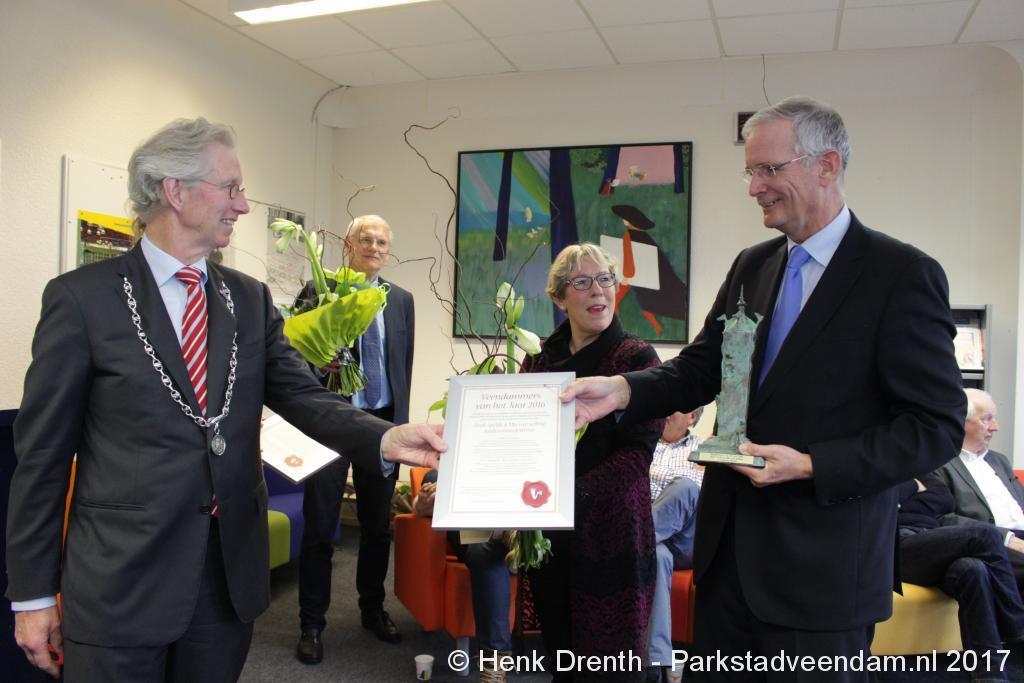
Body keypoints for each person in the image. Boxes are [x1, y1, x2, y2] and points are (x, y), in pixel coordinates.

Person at [4, 117, 444, 683]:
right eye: (231, 188)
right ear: (175, 190)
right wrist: (33, 594)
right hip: (121, 581)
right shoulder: (83, 299)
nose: (243, 205)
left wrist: (386, 436)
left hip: (225, 580)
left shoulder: (248, 299)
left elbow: (304, 397)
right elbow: (41, 459)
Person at [562, 97, 966, 681]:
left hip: (822, 576)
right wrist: (622, 390)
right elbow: (701, 367)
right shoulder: (752, 266)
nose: (754, 187)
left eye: (769, 169)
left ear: (827, 166)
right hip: (727, 565)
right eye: (751, 171)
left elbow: (935, 426)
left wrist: (811, 464)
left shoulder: (900, 275)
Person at [522, 243, 664, 682]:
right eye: (581, 282)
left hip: (612, 533)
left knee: (612, 664)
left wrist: (572, 496)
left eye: (604, 279)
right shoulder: (539, 359)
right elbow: (525, 438)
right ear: (559, 297)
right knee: (561, 654)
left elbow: (637, 453)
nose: (597, 290)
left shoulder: (637, 359)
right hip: (550, 530)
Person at [296, 215, 415, 663]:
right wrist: (319, 363)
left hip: (381, 425)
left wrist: (400, 425)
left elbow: (402, 365)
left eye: (382, 241)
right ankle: (311, 622)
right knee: (321, 525)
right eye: (366, 239)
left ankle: (372, 608)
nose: (375, 247)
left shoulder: (400, 300)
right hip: (331, 421)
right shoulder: (320, 291)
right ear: (348, 245)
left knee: (377, 526)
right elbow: (292, 356)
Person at [897, 476, 1024, 681]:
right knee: (986, 535)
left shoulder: (925, 472)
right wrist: (913, 486)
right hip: (896, 545)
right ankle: (1017, 629)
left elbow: (945, 500)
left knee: (972, 569)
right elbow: (884, 501)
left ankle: (989, 676)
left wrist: (908, 496)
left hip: (932, 540)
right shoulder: (881, 470)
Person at [412, 470, 513, 683]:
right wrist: (423, 504)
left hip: (519, 511)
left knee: (485, 551)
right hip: (476, 536)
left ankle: (509, 535)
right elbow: (420, 509)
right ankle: (494, 665)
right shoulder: (444, 471)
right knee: (483, 551)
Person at [930, 388, 1024, 590]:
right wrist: (1005, 537)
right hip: (991, 542)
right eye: (986, 419)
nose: (995, 427)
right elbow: (942, 518)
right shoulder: (938, 463)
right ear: (960, 422)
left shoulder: (999, 460)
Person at [647, 408, 704, 682]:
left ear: (692, 416)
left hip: (686, 539)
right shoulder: (645, 443)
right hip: (657, 538)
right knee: (656, 557)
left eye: (674, 408)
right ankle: (656, 663)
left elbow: (700, 492)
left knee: (686, 487)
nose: (665, 413)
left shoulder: (704, 449)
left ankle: (635, 543)